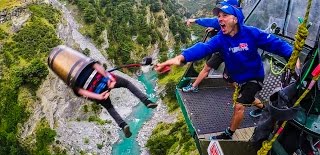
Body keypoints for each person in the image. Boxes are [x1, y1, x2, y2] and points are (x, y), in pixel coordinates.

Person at [154, 3, 293, 140]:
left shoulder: (251, 33)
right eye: (219, 16)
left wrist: (291, 54)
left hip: (253, 77)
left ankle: (228, 133)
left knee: (239, 105)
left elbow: (275, 43)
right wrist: (179, 58)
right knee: (245, 97)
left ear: (235, 19)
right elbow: (203, 48)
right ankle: (264, 108)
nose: (220, 19)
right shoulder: (221, 39)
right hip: (237, 77)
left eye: (225, 15)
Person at [75, 63, 157, 138]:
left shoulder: (71, 79)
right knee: (127, 84)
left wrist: (99, 97)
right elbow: (97, 66)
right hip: (104, 80)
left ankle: (123, 124)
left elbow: (81, 92)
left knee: (109, 107)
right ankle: (146, 101)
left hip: (96, 92)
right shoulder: (83, 61)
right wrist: (110, 79)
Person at [183, 0, 241, 93]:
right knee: (208, 66)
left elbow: (212, 21)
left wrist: (195, 20)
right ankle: (194, 86)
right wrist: (215, 28)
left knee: (228, 78)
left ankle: (240, 91)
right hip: (223, 49)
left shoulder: (235, 17)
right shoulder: (236, 16)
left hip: (232, 52)